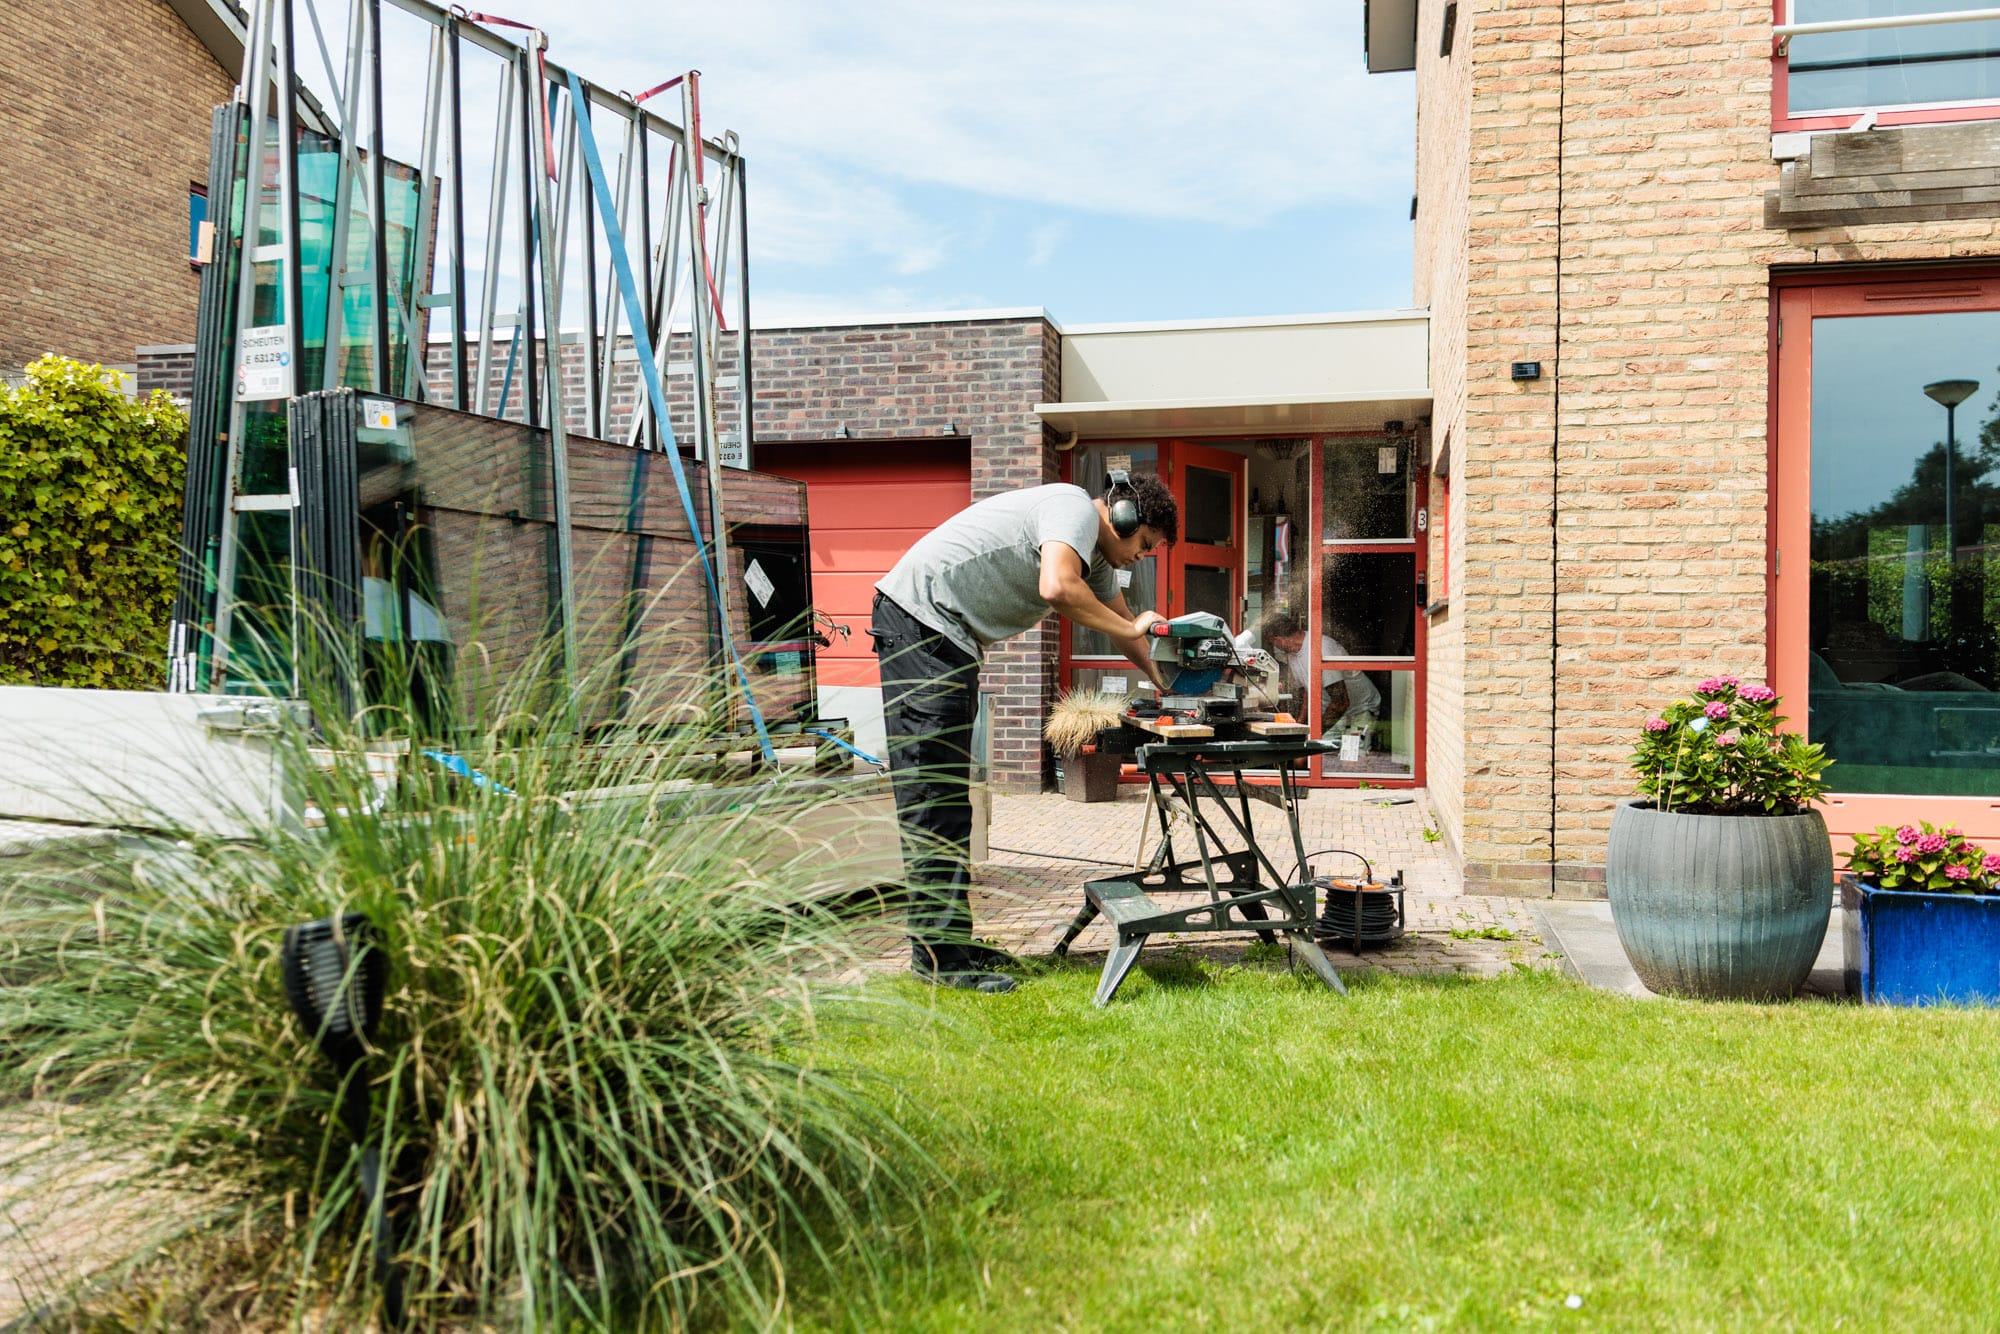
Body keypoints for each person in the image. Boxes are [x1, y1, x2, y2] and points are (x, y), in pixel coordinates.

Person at [872, 473, 1179, 993]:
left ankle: (950, 944)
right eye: (1145, 544)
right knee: (932, 799)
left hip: (943, 639)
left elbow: (1123, 623)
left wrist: (1164, 680)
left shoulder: (1097, 559)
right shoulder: (1072, 508)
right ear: (1124, 516)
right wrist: (1129, 628)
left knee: (950, 801)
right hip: (921, 627)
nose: (1142, 557)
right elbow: (1057, 587)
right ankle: (939, 961)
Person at [1241, 609, 1381, 737]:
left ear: (1279, 639)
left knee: (1352, 755)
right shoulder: (1293, 654)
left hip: (1360, 709)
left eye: (1272, 642)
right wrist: (1299, 724)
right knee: (1317, 751)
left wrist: (1314, 733)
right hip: (1333, 711)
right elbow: (1308, 691)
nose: (1274, 647)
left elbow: (1341, 703)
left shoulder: (1320, 649)